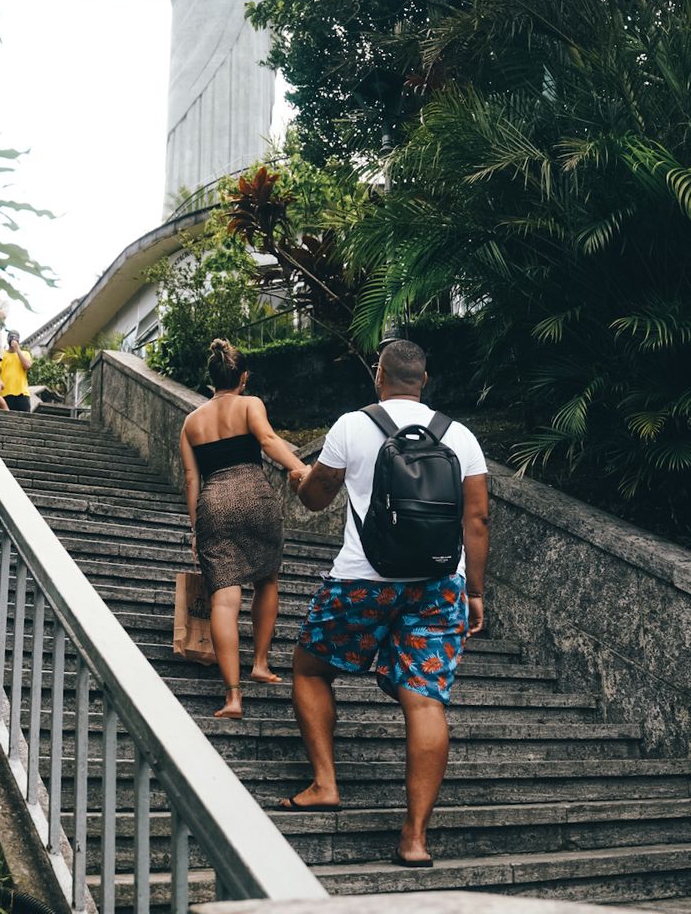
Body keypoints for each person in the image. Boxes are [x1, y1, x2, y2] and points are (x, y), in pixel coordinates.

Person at [285, 339, 489, 869]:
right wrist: (475, 593)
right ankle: (415, 838)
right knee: (424, 701)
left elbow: (315, 498)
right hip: (440, 585)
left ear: (380, 376)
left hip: (363, 580)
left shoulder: (352, 426)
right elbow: (478, 521)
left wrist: (299, 479)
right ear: (424, 380)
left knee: (309, 669)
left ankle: (325, 783)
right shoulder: (460, 437)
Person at [16, 0, 274, 212]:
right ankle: (251, 216)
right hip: (252, 47)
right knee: (250, 128)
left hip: (193, 51)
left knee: (191, 128)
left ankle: (188, 218)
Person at [179, 338, 310, 720]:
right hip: (255, 495)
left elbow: (191, 479)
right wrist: (299, 468)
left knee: (224, 598)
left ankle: (233, 697)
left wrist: (196, 529)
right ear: (243, 378)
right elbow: (269, 441)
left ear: (211, 380)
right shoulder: (250, 405)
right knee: (267, 578)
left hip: (214, 503)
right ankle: (261, 663)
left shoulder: (191, 422)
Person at [0, 330, 33, 412]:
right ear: (7, 339)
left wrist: (17, 349)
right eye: (11, 337)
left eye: (15, 337)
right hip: (5, 393)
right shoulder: (2, 354)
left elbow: (27, 365)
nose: (13, 339)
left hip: (22, 393)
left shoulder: (25, 353)